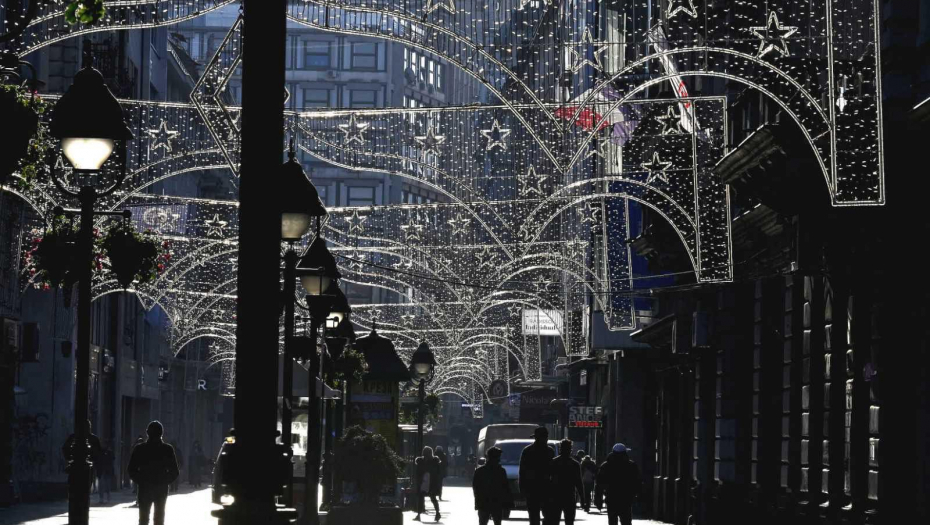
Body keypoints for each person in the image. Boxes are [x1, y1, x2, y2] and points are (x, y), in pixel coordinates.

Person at [128, 421, 180, 525]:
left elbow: (131, 469)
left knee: (143, 519)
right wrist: (164, 481)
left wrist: (141, 480)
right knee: (159, 519)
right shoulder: (167, 449)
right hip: (160, 489)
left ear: (147, 433)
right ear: (162, 433)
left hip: (145, 488)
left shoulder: (140, 449)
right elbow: (174, 472)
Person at [595, 443, 641, 525]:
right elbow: (637, 482)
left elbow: (599, 483)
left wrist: (598, 499)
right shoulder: (631, 465)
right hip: (626, 498)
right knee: (626, 521)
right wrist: (637, 495)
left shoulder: (606, 466)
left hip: (611, 498)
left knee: (612, 521)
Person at [518, 426, 555, 525]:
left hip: (535, 489)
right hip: (543, 489)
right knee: (544, 515)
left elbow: (522, 472)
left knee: (536, 516)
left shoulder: (528, 451)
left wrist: (522, 489)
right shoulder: (549, 451)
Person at [546, 438, 586, 525]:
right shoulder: (575, 464)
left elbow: (547, 481)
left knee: (554, 520)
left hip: (555, 496)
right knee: (569, 521)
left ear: (560, 449)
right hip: (569, 496)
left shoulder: (554, 462)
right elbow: (579, 483)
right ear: (570, 450)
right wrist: (583, 499)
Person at [472, 446, 513, 525]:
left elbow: (475, 488)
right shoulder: (501, 471)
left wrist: (478, 502)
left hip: (484, 502)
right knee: (496, 522)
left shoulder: (480, 471)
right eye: (497, 457)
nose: (499, 459)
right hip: (495, 502)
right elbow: (506, 488)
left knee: (483, 522)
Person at [414, 446, 441, 522]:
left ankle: (419, 515)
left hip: (427, 482)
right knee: (431, 498)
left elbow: (418, 472)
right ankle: (437, 513)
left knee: (423, 498)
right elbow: (438, 473)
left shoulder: (422, 461)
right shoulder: (434, 461)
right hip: (429, 482)